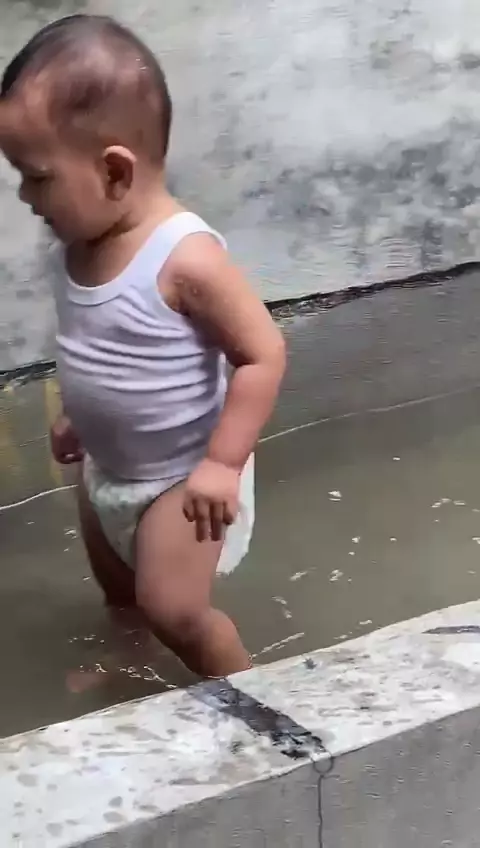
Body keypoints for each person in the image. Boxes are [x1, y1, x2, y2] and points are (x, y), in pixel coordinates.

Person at [0, 15, 285, 680]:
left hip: (182, 474)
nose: (24, 196)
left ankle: (252, 696)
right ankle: (130, 663)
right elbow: (102, 344)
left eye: (36, 177)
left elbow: (262, 354)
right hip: (108, 464)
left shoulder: (186, 259)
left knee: (175, 610)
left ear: (114, 171)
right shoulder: (77, 244)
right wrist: (81, 415)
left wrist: (222, 464)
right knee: (120, 592)